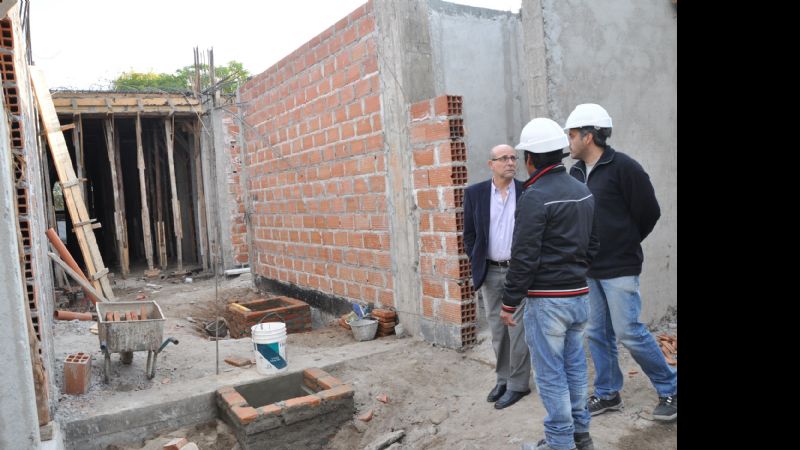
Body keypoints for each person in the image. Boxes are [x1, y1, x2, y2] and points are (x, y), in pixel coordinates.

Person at [564, 103, 677, 422]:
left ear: (588, 136)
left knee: (629, 332)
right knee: (597, 333)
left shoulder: (625, 167)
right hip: (589, 269)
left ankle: (671, 387)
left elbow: (649, 212)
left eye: (571, 135)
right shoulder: (575, 173)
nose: (568, 141)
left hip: (620, 267)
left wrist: (625, 242)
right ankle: (608, 392)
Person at [500, 118, 597, 450]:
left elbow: (524, 257)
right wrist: (575, 273)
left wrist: (509, 301)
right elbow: (594, 244)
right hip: (578, 296)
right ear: (559, 153)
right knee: (574, 367)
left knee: (551, 373)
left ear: (529, 159)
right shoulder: (583, 190)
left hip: (548, 301)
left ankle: (559, 442)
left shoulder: (535, 196)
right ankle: (580, 435)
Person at [463, 144, 532, 410]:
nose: (511, 162)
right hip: (490, 271)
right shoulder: (475, 193)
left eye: (513, 157)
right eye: (504, 158)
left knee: (518, 329)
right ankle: (503, 378)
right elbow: (470, 234)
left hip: (518, 271)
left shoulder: (527, 191)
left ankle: (519, 384)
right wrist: (477, 257)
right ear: (491, 164)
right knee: (498, 330)